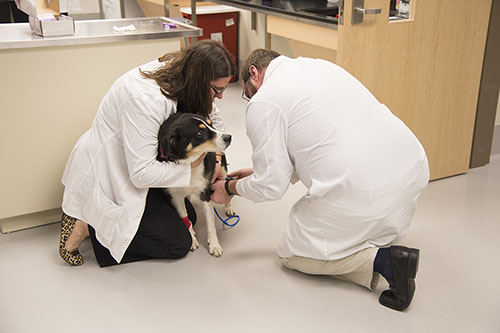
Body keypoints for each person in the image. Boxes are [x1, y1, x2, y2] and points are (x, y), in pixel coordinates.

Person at [211, 49, 430, 311]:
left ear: (254, 73)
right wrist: (259, 173)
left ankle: (384, 262)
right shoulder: (320, 67)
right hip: (411, 169)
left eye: (248, 91)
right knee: (364, 227)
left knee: (292, 255)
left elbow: (271, 187)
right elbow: (317, 139)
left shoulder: (265, 100)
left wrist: (230, 188)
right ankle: (367, 236)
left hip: (363, 189)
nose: (250, 97)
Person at [59, 40, 235, 267]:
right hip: (116, 171)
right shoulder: (143, 100)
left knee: (189, 218)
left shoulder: (186, 74)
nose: (220, 96)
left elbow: (214, 118)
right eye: (217, 90)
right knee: (178, 243)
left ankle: (100, 223)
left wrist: (218, 160)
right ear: (200, 80)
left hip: (147, 165)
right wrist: (189, 168)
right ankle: (89, 227)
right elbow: (141, 174)